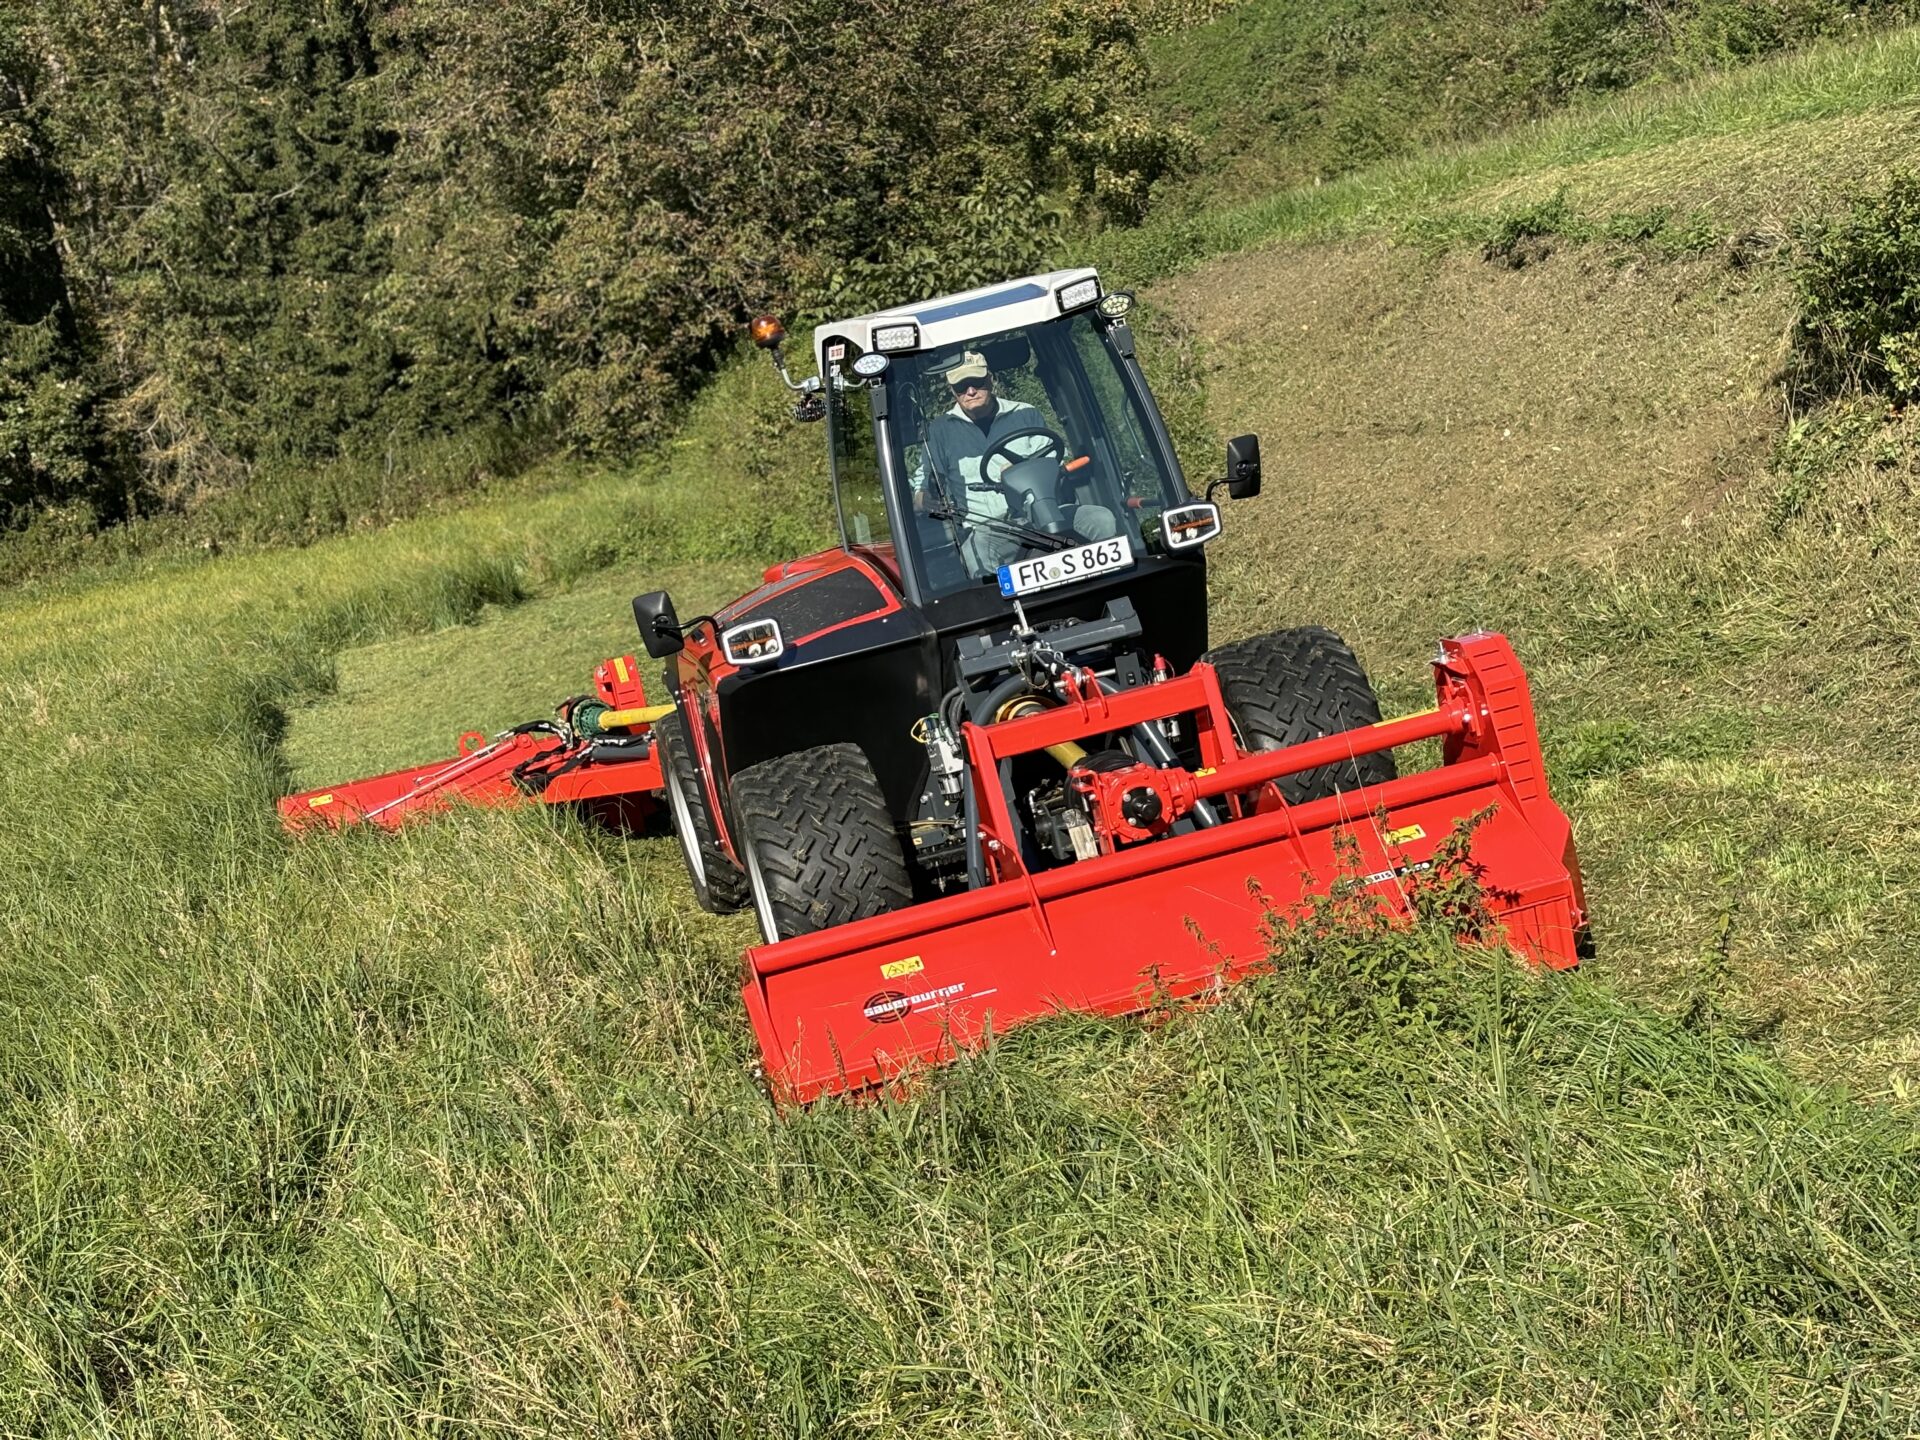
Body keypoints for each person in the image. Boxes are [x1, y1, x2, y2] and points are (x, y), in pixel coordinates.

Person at [913, 350, 1116, 573]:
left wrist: (1022, 472)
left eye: (976, 382)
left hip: (1045, 512)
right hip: (991, 528)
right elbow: (924, 483)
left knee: (1100, 519)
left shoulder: (1025, 413)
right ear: (952, 390)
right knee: (976, 554)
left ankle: (1114, 583)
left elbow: (1053, 464)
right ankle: (1006, 607)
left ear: (990, 379)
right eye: (961, 386)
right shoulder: (940, 431)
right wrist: (925, 498)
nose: (970, 391)